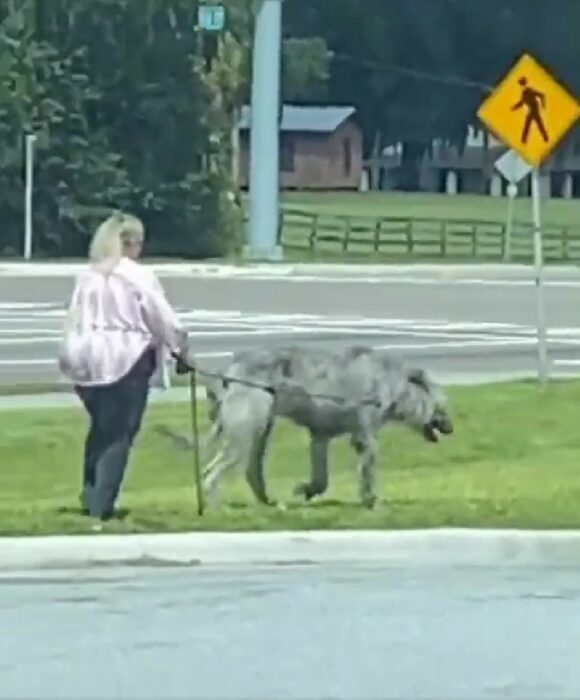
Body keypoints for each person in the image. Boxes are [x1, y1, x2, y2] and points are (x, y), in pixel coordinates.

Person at [58, 211, 189, 524]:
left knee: (101, 427)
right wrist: (182, 350)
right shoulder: (137, 276)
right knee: (120, 433)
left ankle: (90, 493)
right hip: (126, 357)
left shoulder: (89, 276)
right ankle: (103, 504)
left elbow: (74, 318)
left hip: (86, 358)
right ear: (131, 243)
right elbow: (162, 319)